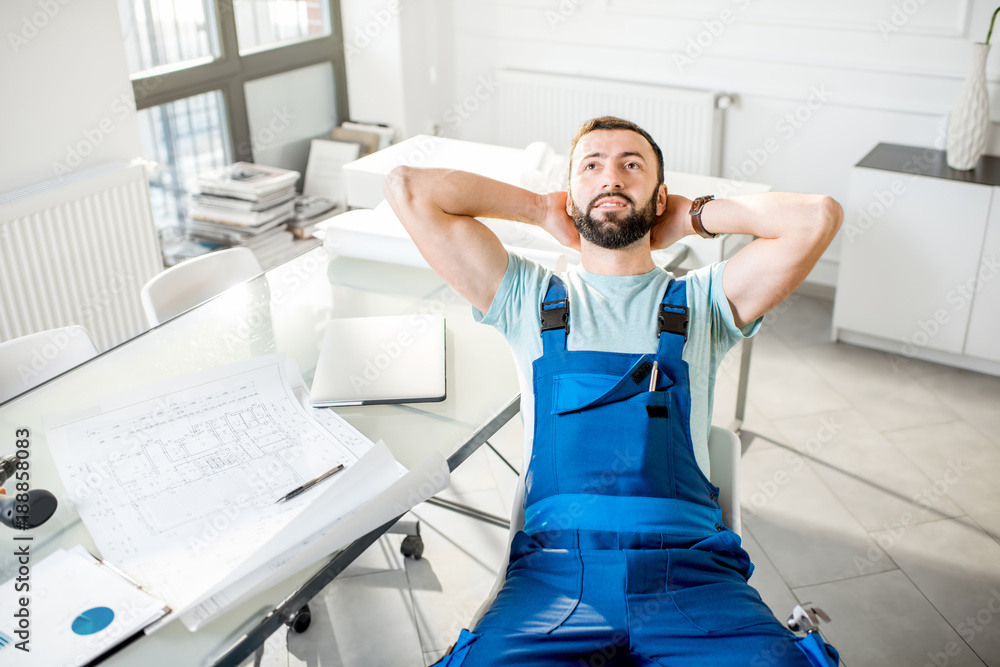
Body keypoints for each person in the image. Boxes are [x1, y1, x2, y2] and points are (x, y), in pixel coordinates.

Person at [385, 116, 843, 667]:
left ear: (660, 197)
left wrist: (693, 217)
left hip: (694, 578)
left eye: (632, 166)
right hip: (552, 580)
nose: (611, 178)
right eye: (591, 167)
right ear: (571, 194)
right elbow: (409, 188)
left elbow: (816, 217)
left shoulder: (703, 303)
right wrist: (537, 208)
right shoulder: (526, 298)